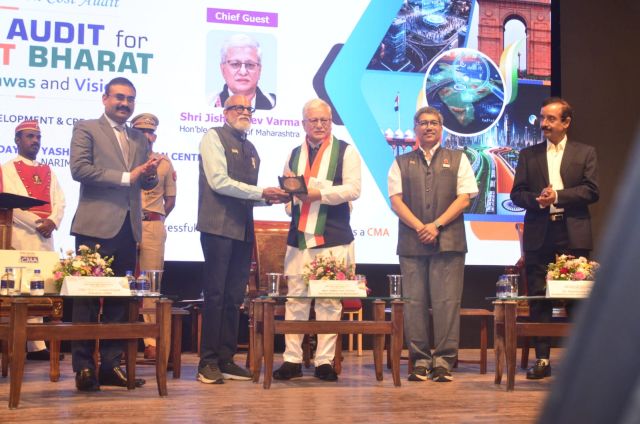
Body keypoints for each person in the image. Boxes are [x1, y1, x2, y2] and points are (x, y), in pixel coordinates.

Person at [69, 77, 161, 392]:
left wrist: (149, 175)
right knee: (86, 300)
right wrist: (127, 176)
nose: (125, 103)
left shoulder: (138, 138)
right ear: (105, 98)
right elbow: (80, 170)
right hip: (95, 227)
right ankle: (83, 368)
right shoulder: (86, 128)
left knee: (120, 302)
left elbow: (144, 183)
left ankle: (110, 366)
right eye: (119, 97)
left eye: (130, 99)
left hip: (128, 227)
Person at [197, 94, 287, 384]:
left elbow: (245, 194)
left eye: (249, 108)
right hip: (218, 227)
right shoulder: (213, 137)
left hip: (243, 229)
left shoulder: (251, 148)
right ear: (225, 112)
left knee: (234, 297)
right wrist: (261, 192)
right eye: (239, 108)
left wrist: (269, 199)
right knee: (216, 295)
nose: (245, 112)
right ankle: (207, 362)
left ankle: (225, 359)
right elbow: (219, 182)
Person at [272, 98, 361, 382]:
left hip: (333, 235)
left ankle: (324, 361)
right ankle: (292, 360)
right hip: (299, 236)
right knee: (296, 299)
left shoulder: (346, 151)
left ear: (331, 122)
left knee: (329, 300)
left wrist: (318, 195)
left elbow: (353, 190)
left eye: (324, 120)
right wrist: (290, 200)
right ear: (304, 123)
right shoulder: (294, 153)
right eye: (314, 120)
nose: (320, 125)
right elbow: (290, 196)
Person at [387, 106, 478, 383]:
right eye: (423, 123)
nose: (428, 127)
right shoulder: (401, 162)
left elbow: (465, 198)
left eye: (434, 123)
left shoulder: (458, 158)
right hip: (412, 243)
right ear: (415, 128)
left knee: (447, 303)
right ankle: (420, 361)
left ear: (441, 128)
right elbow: (396, 201)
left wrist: (436, 225)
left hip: (449, 242)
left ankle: (444, 362)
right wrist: (420, 227)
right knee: (414, 304)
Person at [510, 97, 599, 380]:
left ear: (566, 122)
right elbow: (516, 194)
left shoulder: (585, 152)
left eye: (550, 119)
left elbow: (591, 191)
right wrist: (538, 200)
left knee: (577, 299)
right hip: (540, 232)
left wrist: (557, 196)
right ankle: (543, 360)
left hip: (572, 233)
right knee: (540, 298)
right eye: (542, 118)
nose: (544, 124)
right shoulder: (529, 154)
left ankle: (580, 362)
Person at [1, 119, 65, 361]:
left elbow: (60, 201)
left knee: (41, 287)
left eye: (38, 137)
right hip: (21, 234)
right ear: (17, 140)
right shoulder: (6, 169)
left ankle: (37, 343)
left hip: (45, 237)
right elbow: (9, 204)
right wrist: (40, 224)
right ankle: (24, 342)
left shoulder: (49, 170)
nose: (35, 141)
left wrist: (54, 222)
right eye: (30, 136)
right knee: (22, 288)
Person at [131, 113, 177, 360]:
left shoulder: (164, 163)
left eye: (150, 132)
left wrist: (153, 217)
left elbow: (170, 200)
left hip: (152, 224)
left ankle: (150, 340)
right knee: (122, 282)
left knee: (150, 283)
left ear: (154, 136)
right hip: (125, 224)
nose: (146, 136)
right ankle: (120, 336)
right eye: (141, 132)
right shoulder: (122, 160)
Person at [211, 33, 276, 110]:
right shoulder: (209, 103)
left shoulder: (275, 104)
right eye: (235, 64)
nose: (243, 72)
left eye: (250, 65)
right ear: (223, 69)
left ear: (259, 70)